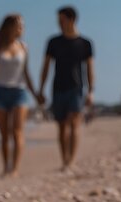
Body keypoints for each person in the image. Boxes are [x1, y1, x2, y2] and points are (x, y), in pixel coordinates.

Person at [0, 14, 39, 177]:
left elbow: (26, 73)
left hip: (19, 92)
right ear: (9, 27)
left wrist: (35, 94)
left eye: (23, 26)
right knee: (4, 134)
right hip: (0, 91)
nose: (22, 29)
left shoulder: (23, 47)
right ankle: (5, 167)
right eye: (19, 25)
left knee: (17, 131)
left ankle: (15, 168)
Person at [38, 6, 94, 172]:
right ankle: (65, 160)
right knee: (62, 126)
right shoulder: (53, 42)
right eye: (58, 21)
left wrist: (91, 91)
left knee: (74, 124)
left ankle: (72, 161)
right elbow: (46, 67)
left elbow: (90, 69)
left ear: (72, 19)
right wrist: (40, 89)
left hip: (76, 88)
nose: (59, 24)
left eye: (62, 20)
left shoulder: (85, 43)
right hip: (58, 88)